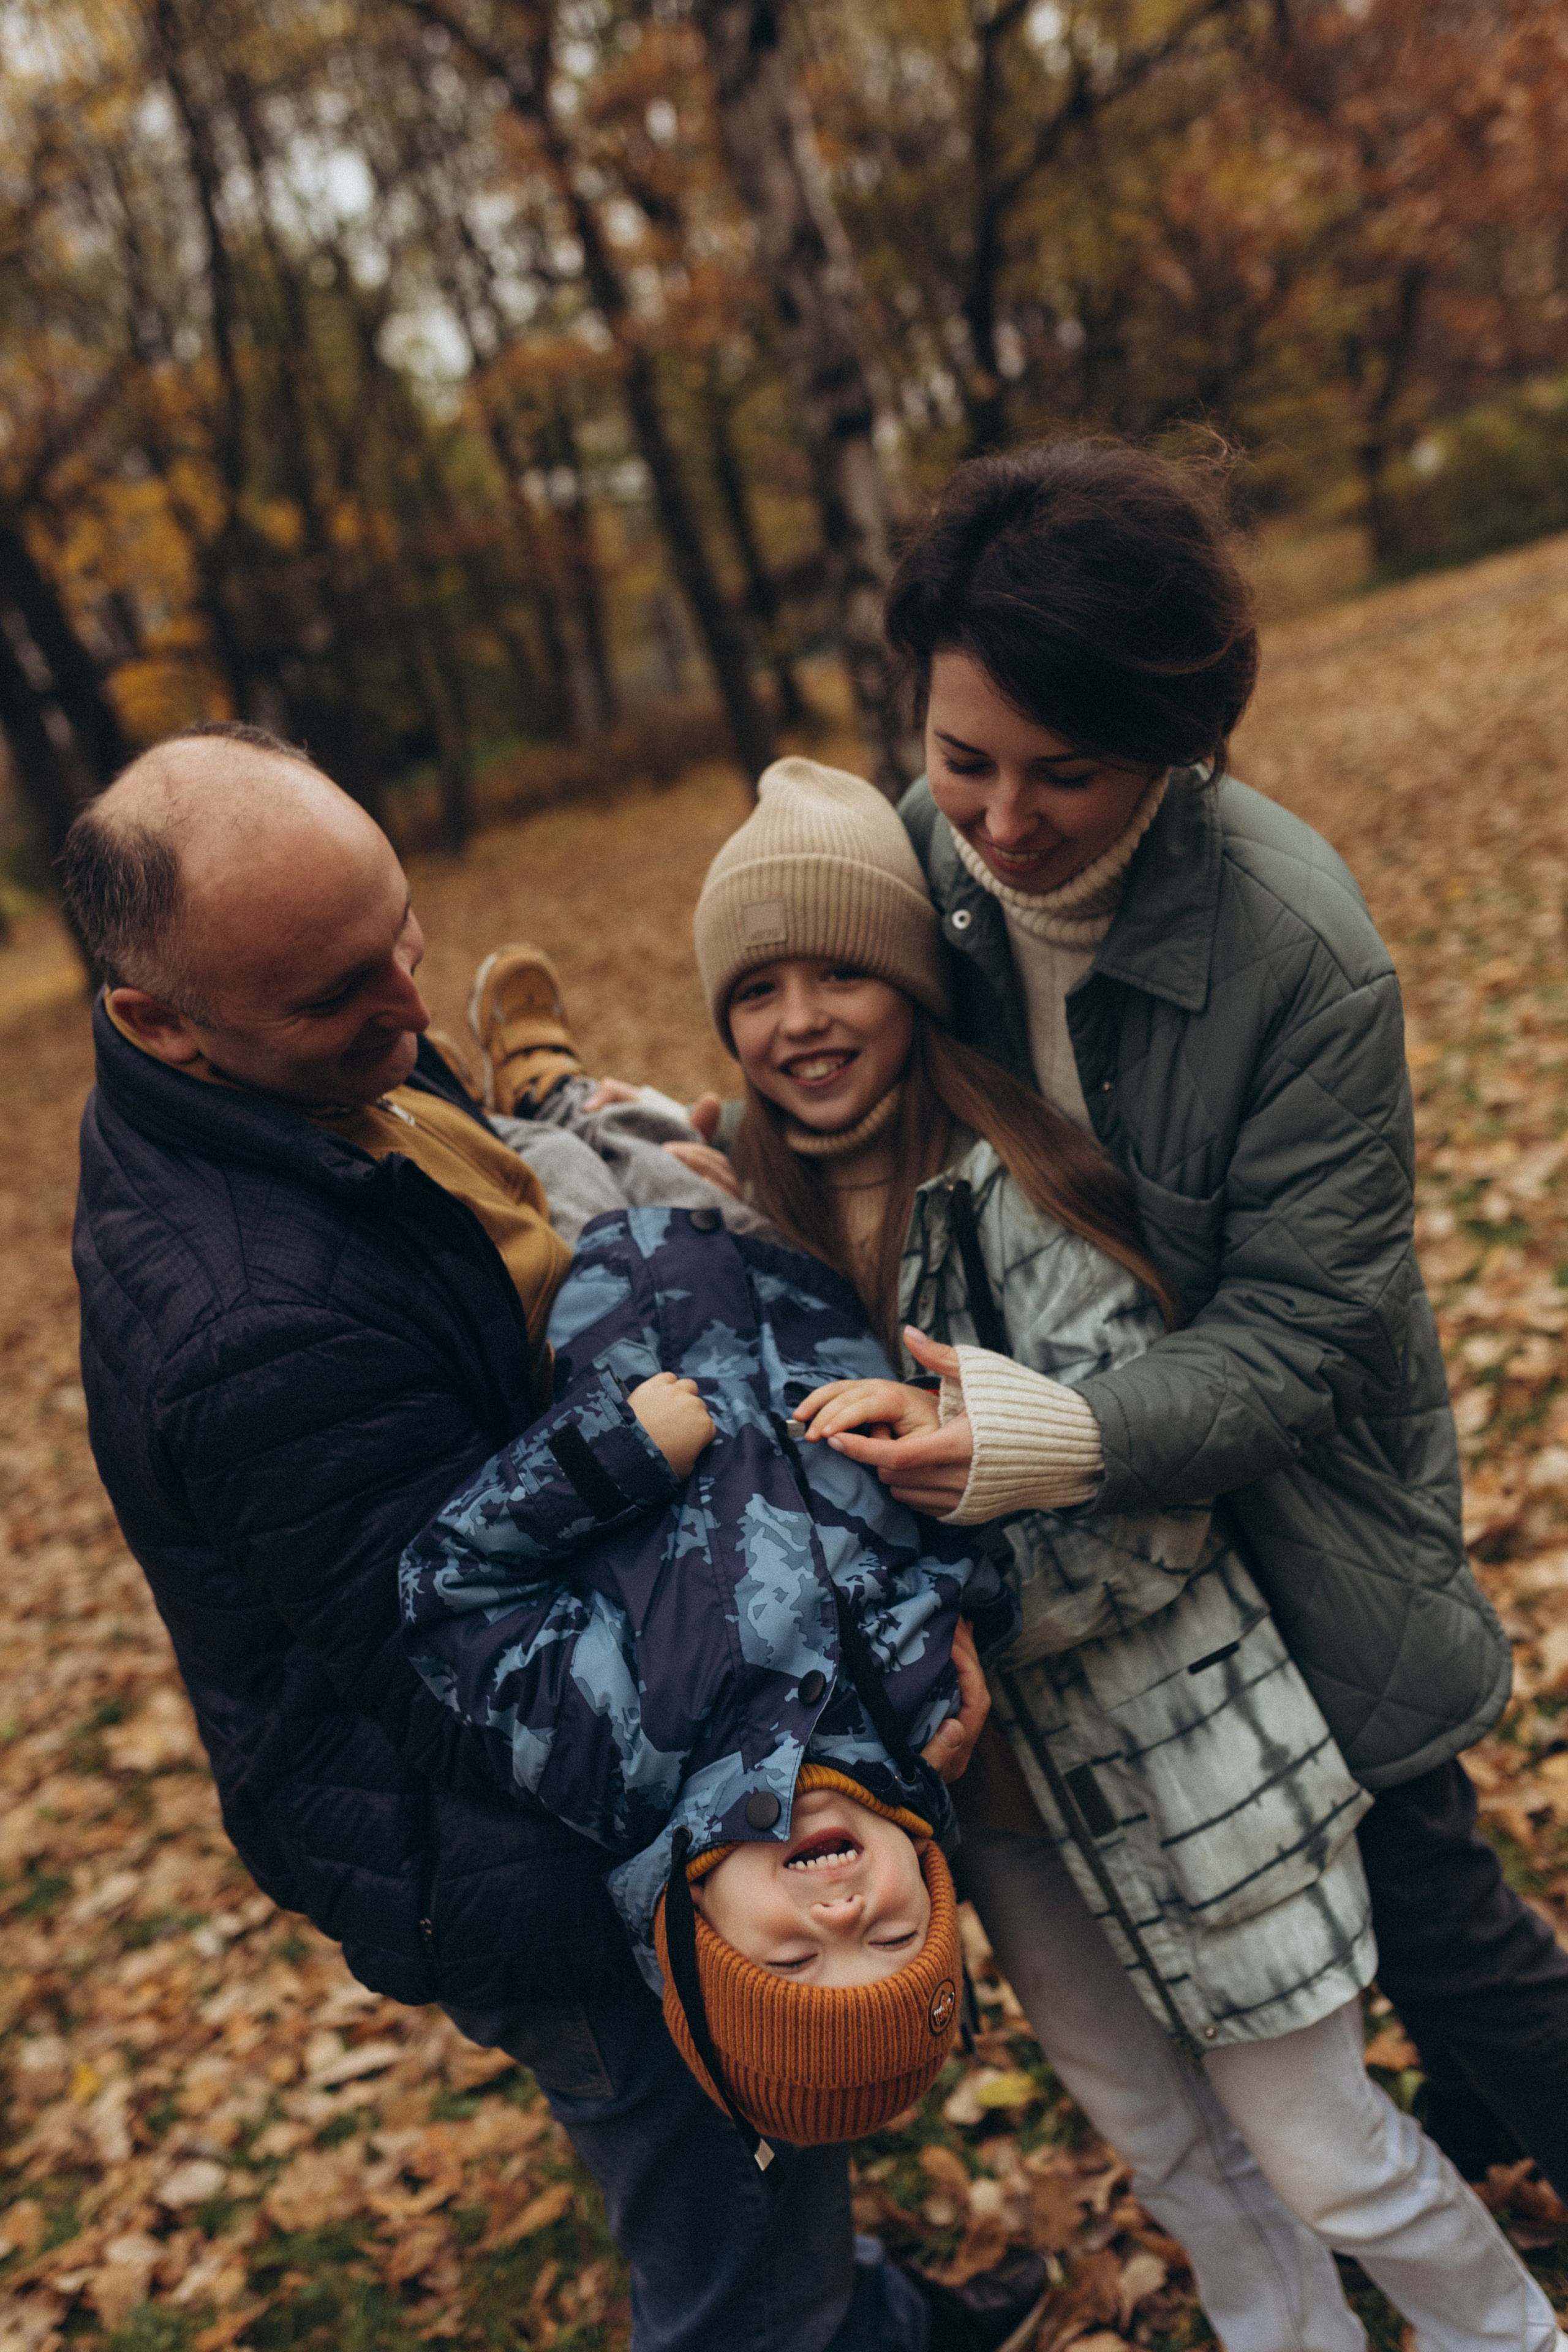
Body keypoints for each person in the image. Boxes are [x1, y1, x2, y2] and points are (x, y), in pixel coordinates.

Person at [61, 721, 1043, 2352]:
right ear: (161, 1020)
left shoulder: (308, 1063)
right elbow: (451, 1657)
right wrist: (817, 1720)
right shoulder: (252, 1327)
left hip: (654, 1727)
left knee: (781, 2128)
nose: (407, 1008)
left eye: (402, 937)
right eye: (339, 992)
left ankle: (867, 2315)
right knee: (727, 2214)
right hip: (511, 1848)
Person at [682, 750, 1565, 2351]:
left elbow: (1159, 1520)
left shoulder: (1014, 1194)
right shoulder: (751, 1238)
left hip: (1182, 1769)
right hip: (1002, 1816)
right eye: (756, 989)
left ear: (914, 985)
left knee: (1325, 2155)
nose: (800, 1020)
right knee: (1179, 2161)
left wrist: (953, 1597)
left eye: (842, 975)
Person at [860, 435, 1568, 2206]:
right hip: (1088, 1550)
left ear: (1175, 741)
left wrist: (1056, 1434)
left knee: (1424, 1898)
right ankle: (1470, 2125)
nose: (1002, 823)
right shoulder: (914, 868)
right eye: (961, 759)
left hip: (1296, 1501)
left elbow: (1304, 1337)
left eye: (1066, 773)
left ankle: (1508, 2101)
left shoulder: (1297, 949)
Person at [397, 1189, 1006, 2157]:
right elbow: (970, 1553)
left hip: (599, 1268)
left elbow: (452, 1591)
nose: (844, 1914)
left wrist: (616, 1455)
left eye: (795, 1957)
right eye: (893, 1940)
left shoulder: (608, 1756)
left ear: (694, 1933)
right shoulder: (925, 1717)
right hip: (783, 1259)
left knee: (530, 1130)